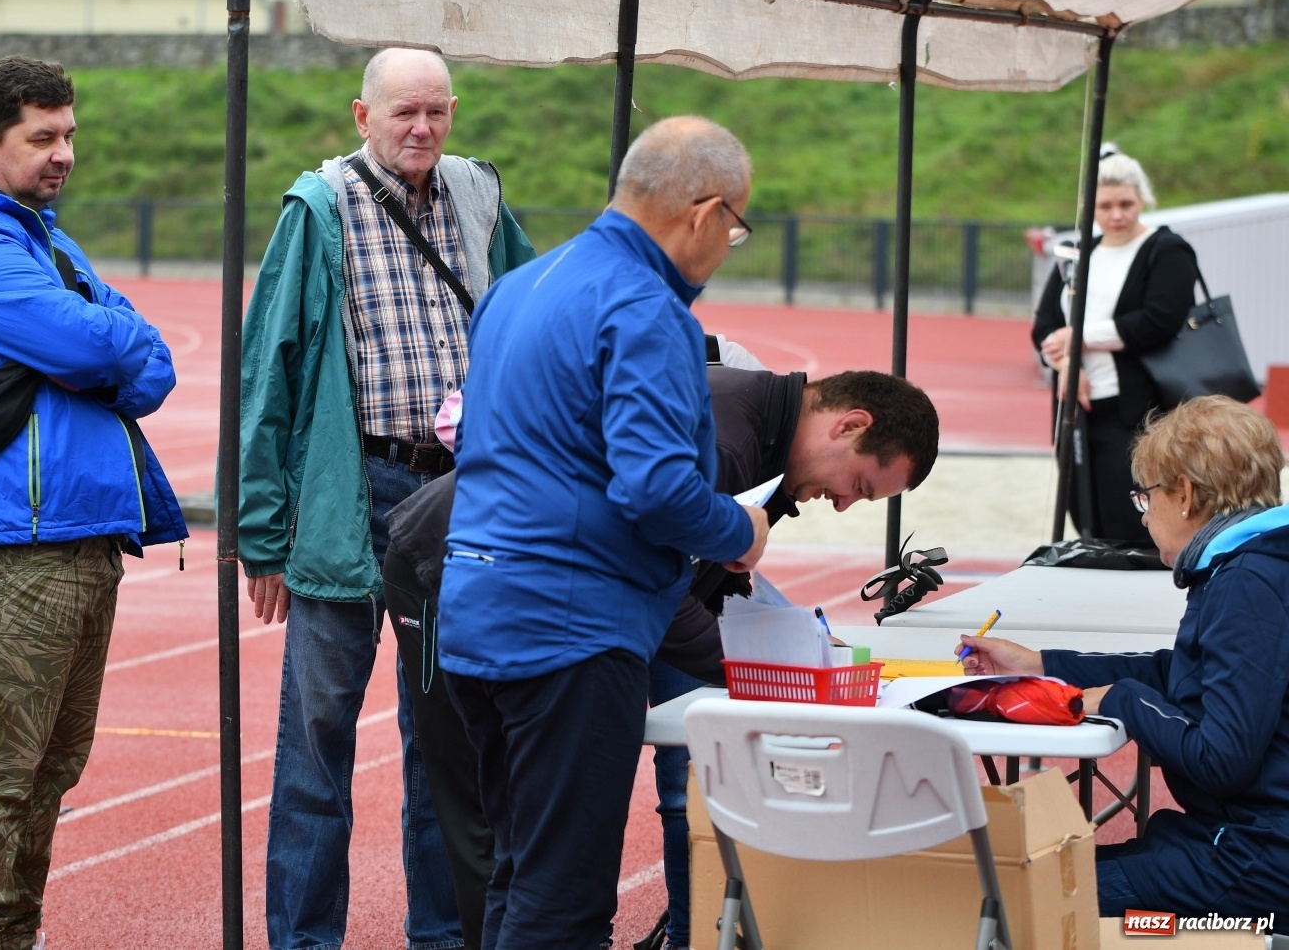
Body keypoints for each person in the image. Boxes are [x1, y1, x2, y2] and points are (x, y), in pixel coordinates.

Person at [384, 367, 939, 948]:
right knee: (494, 820)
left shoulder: (763, 441)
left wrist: (786, 647)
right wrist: (772, 672)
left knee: (529, 838)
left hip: (542, 594)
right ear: (849, 424)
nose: (846, 504)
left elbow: (697, 579)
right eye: (861, 484)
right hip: (453, 570)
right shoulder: (728, 440)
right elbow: (661, 597)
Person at [438, 116, 767, 950]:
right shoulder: (647, 309)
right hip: (571, 630)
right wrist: (739, 526)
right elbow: (655, 486)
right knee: (564, 896)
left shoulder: (521, 285)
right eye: (736, 226)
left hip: (478, 609)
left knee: (517, 868)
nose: (729, 245)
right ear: (706, 211)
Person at [238, 47, 536, 950]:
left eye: (438, 112)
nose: (422, 129)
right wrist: (261, 534)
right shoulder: (319, 208)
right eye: (404, 113)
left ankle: (443, 936)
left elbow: (529, 316)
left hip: (454, 497)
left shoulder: (480, 196)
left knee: (442, 740)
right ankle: (303, 940)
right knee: (317, 743)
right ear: (361, 116)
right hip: (349, 492)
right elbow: (269, 371)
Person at [0, 56, 187, 950]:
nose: (64, 151)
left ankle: (7, 937)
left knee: (51, 769)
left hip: (81, 532)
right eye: (43, 137)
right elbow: (93, 339)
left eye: (69, 132)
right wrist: (101, 341)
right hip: (15, 537)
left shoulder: (47, 241)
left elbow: (149, 366)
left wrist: (103, 342)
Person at [960, 395, 1289, 915]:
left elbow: (1221, 759)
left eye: (1146, 497)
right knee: (1039, 880)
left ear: (1183, 493)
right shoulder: (1251, 566)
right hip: (1242, 840)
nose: (1143, 515)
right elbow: (1180, 674)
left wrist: (1122, 699)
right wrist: (1043, 664)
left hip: (1253, 857)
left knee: (1025, 902)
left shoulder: (1247, 582)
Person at [1032, 151, 1197, 544]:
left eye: (1126, 203)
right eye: (1105, 206)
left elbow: (1160, 319)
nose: (1116, 214)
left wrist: (1082, 336)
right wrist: (1068, 361)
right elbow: (1044, 327)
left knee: (1134, 510)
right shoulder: (1078, 253)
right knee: (1083, 506)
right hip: (1078, 406)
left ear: (1143, 199)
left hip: (1140, 410)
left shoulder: (1166, 248)